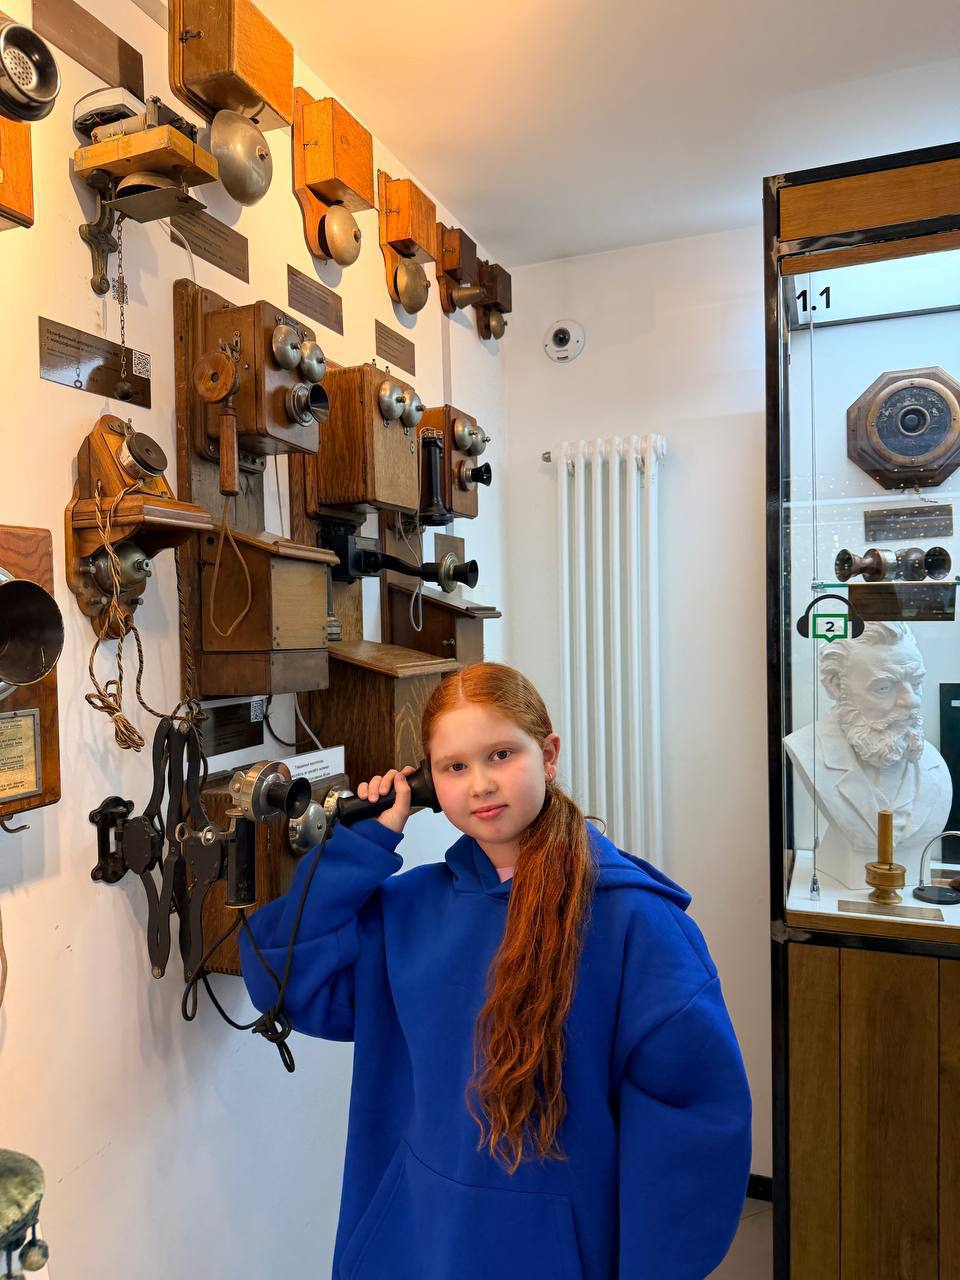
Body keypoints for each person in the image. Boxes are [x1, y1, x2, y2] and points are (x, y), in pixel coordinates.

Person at [239, 662, 752, 1280]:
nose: (481, 784)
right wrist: (363, 843)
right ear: (428, 783)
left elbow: (692, 1132)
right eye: (454, 767)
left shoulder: (636, 924)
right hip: (419, 1246)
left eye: (501, 755)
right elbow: (282, 975)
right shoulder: (407, 911)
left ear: (548, 755)